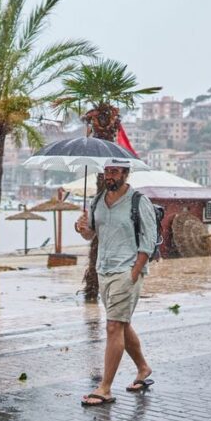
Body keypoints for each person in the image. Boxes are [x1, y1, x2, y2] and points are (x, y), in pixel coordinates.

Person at [74, 159, 156, 407]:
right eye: (107, 171)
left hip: (126, 270)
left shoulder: (138, 202)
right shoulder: (97, 200)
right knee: (121, 324)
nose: (109, 176)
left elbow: (148, 241)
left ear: (125, 173)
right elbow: (91, 234)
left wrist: (135, 272)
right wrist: (81, 228)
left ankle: (105, 388)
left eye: (115, 171)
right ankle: (143, 368)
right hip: (104, 270)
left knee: (112, 327)